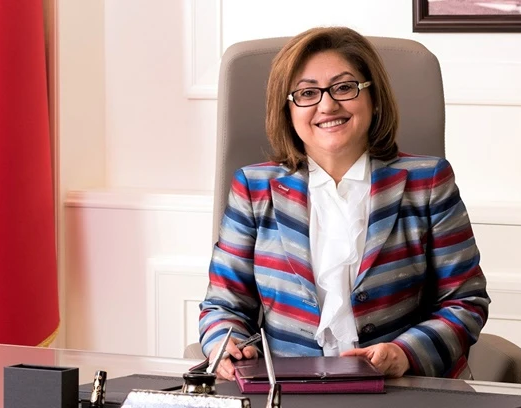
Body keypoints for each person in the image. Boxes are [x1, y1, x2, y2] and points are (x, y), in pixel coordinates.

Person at [198, 26, 490, 382]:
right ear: (287, 110)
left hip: (400, 389)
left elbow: (465, 301)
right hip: (290, 391)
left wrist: (404, 354)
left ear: (374, 98)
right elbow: (224, 305)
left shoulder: (428, 182)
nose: (327, 105)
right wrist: (223, 342)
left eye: (344, 87)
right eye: (307, 93)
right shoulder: (253, 188)